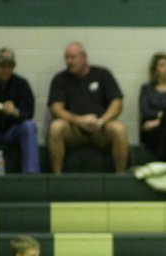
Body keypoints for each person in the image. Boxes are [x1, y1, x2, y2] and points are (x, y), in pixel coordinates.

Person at [47, 42, 129, 174]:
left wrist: (101, 121)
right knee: (56, 127)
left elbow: (117, 103)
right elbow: (56, 108)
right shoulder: (60, 79)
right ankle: (57, 176)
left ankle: (120, 176)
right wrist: (79, 120)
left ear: (84, 57)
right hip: (74, 129)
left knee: (119, 129)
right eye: (66, 58)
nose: (69, 61)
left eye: (72, 57)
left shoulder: (102, 74)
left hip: (100, 127)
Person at [0, 47, 39, 174]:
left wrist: (16, 112)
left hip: (12, 130)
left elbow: (29, 112)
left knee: (29, 126)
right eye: (2, 66)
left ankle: (31, 173)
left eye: (9, 67)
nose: (6, 70)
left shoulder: (21, 84)